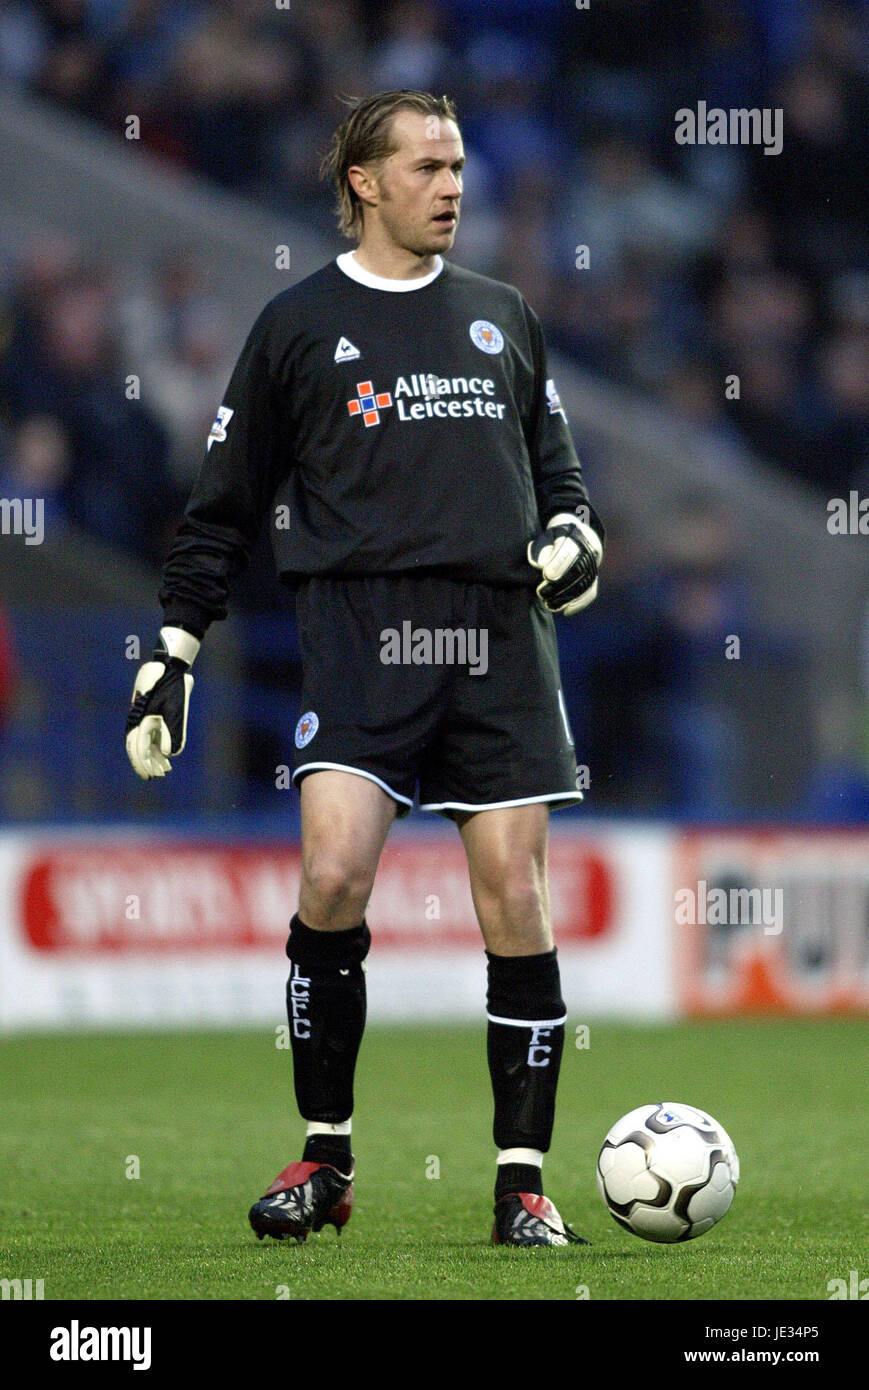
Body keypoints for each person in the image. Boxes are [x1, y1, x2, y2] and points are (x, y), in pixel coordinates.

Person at [125, 89, 605, 1248]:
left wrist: (571, 547)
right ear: (365, 183)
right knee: (332, 874)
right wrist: (172, 654)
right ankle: (325, 1158)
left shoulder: (503, 317)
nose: (452, 186)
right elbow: (221, 508)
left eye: (457, 166)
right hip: (357, 633)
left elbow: (569, 502)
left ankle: (519, 1187)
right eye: (429, 166)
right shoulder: (295, 326)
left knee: (514, 897)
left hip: (494, 639)